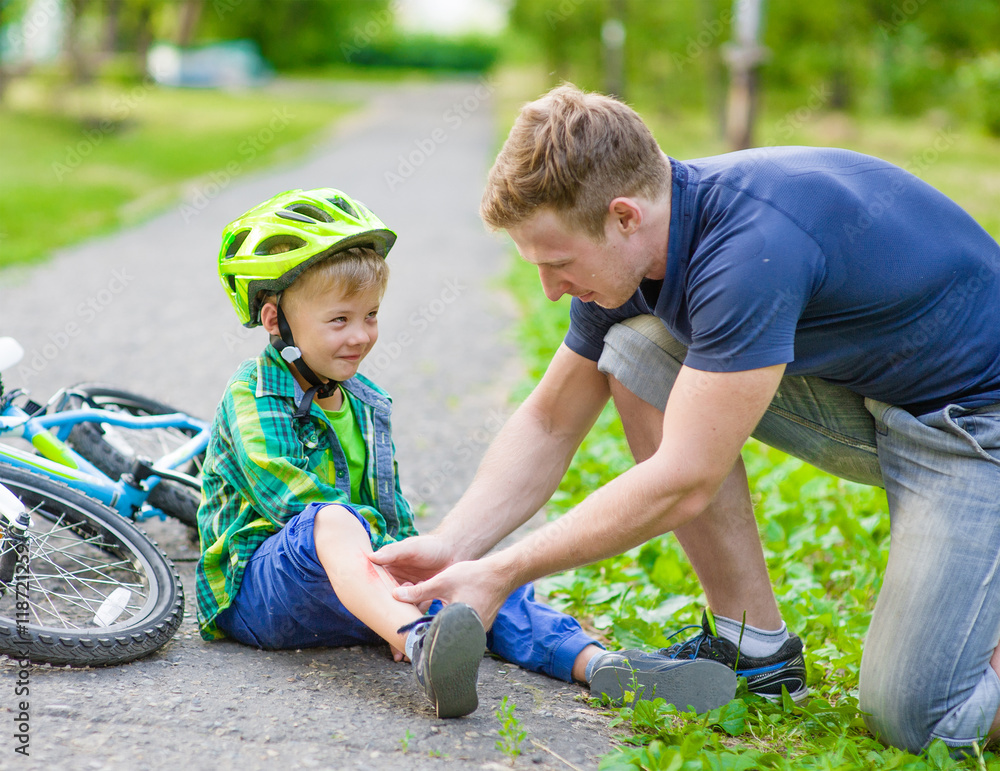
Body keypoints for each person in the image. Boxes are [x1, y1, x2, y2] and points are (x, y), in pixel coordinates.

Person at [370, 84, 1000, 752]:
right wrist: (457, 544)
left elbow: (684, 478)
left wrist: (502, 571)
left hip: (973, 426)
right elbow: (553, 420)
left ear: (623, 217)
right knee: (638, 347)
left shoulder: (747, 250)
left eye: (557, 264)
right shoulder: (637, 250)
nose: (551, 290)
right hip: (886, 400)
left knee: (922, 717)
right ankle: (752, 646)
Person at [195, 187, 737, 719]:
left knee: (471, 577)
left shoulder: (364, 401)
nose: (360, 336)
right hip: (260, 594)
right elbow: (291, 499)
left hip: (358, 589)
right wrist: (396, 583)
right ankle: (419, 642)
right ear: (275, 320)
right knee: (332, 520)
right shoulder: (254, 393)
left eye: (372, 316)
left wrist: (418, 570)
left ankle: (601, 666)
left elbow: (387, 509)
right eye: (339, 320)